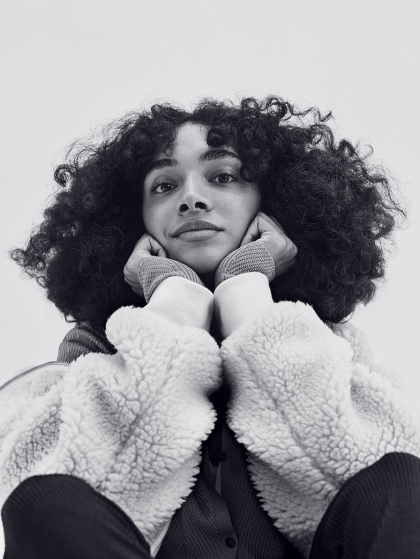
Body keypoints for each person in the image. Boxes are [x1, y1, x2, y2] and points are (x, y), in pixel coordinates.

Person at [1, 97, 420, 559]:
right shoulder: (95, 350)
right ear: (135, 219)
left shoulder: (328, 343)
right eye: (164, 185)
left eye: (222, 177)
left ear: (270, 203)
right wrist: (175, 301)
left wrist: (246, 290)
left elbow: (378, 492)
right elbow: (60, 498)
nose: (191, 198)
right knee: (46, 502)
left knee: (400, 477)